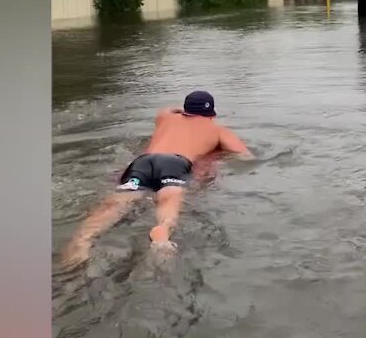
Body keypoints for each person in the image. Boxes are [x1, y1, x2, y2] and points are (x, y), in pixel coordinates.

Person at [59, 90, 253, 268]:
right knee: (169, 200)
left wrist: (178, 111)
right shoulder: (218, 130)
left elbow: (168, 109)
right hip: (175, 163)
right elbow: (245, 157)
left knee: (117, 202)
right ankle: (162, 231)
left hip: (142, 163)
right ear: (212, 115)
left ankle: (83, 239)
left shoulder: (165, 117)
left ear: (184, 110)